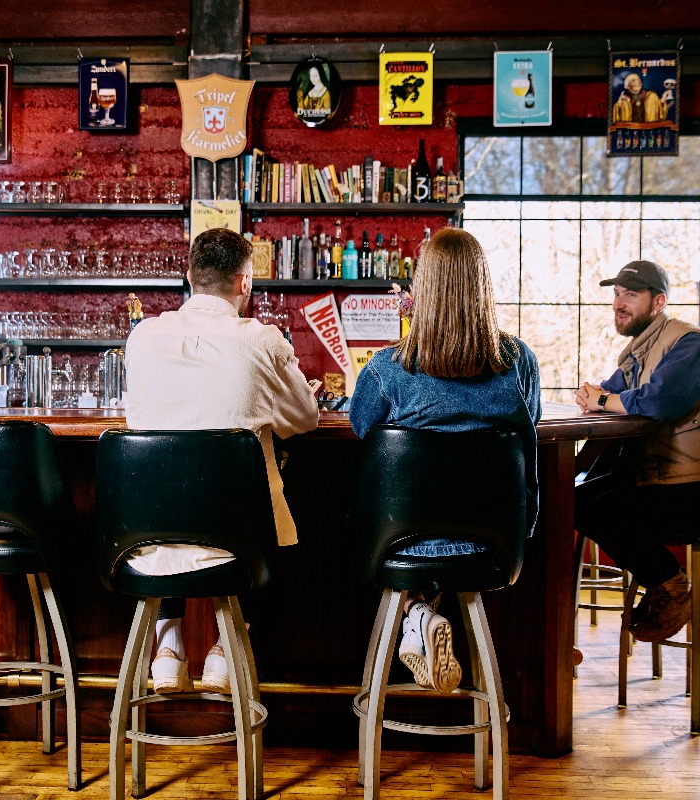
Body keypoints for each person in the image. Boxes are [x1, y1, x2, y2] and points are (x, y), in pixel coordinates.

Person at [125, 228, 320, 693]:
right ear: (245, 283)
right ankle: (223, 648)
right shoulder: (261, 340)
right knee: (249, 477)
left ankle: (168, 645)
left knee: (176, 483)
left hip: (143, 533)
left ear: (189, 276)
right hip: (239, 541)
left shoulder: (143, 336)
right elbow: (305, 419)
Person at [349, 228, 541, 693]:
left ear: (422, 289)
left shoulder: (386, 367)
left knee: (369, 515)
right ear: (483, 287)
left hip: (398, 545)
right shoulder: (519, 362)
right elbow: (530, 423)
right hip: (494, 544)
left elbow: (360, 427)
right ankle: (421, 614)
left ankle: (416, 613)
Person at [575, 260, 700, 643]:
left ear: (658, 302)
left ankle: (671, 585)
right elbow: (606, 395)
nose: (618, 304)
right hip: (656, 476)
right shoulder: (638, 353)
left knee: (601, 507)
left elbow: (657, 401)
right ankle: (660, 581)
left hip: (688, 486)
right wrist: (596, 397)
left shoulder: (688, 343)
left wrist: (602, 398)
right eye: (616, 295)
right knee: (576, 499)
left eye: (630, 294)